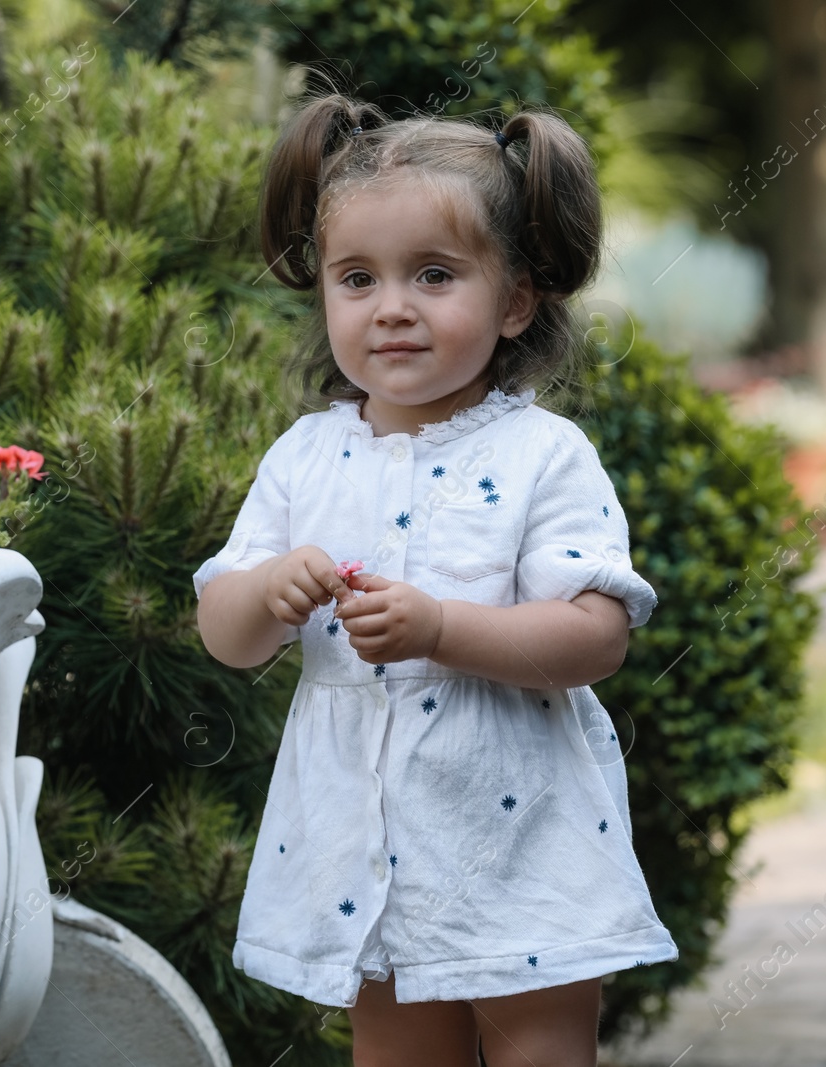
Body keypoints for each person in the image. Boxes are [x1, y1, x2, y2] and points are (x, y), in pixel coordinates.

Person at [192, 91, 679, 1066]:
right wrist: (266, 590)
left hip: (521, 846)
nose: (393, 306)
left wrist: (442, 628)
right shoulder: (302, 458)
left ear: (515, 298)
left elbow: (596, 635)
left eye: (434, 274)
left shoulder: (544, 453)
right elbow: (226, 633)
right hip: (360, 858)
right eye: (358, 277)